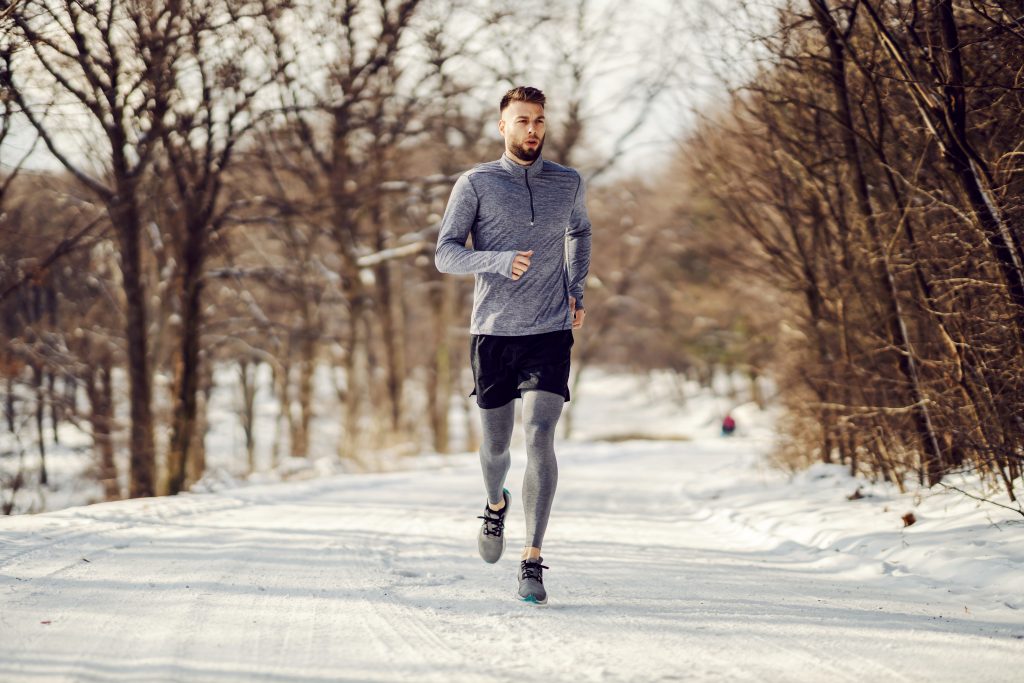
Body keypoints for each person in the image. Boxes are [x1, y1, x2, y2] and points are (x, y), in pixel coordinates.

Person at [434, 86, 592, 604]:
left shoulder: (566, 182)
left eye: (539, 120)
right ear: (502, 126)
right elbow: (446, 254)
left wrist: (575, 289)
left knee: (540, 436)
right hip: (494, 333)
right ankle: (494, 503)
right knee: (497, 448)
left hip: (549, 330)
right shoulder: (476, 183)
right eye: (522, 120)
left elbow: (580, 231)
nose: (532, 129)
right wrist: (497, 260)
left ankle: (533, 558)